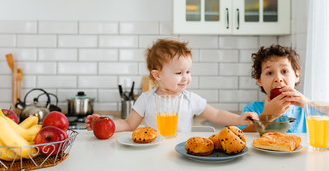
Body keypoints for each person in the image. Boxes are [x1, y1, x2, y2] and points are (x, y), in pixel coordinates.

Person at [86, 39, 258, 132]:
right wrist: (104, 123)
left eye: (188, 71)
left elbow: (217, 115)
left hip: (183, 154)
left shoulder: (190, 99)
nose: (185, 78)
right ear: (157, 75)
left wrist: (238, 119)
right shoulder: (146, 99)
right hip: (152, 154)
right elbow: (128, 124)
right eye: (178, 73)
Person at [238, 44, 329, 133]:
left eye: (284, 71)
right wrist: (267, 116)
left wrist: (309, 104)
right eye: (269, 73)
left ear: (296, 75)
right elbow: (240, 139)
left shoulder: (308, 110)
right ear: (259, 80)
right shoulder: (253, 110)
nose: (278, 78)